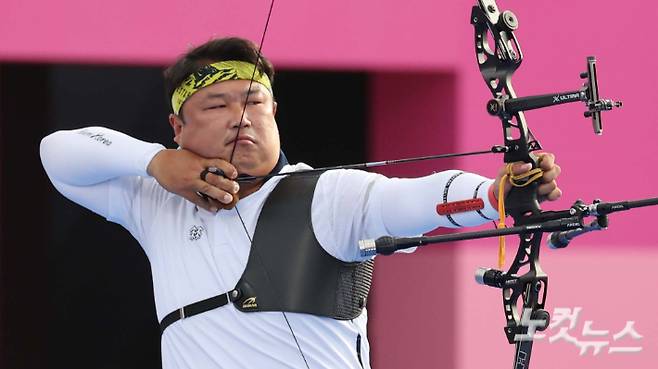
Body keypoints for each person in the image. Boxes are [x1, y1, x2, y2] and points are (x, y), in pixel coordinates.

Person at [39, 37, 561, 369]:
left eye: (255, 103)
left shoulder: (328, 194)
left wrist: (497, 194)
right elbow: (57, 152)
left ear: (275, 112)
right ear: (178, 127)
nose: (240, 118)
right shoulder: (156, 201)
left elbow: (418, 198)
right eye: (216, 105)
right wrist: (157, 161)